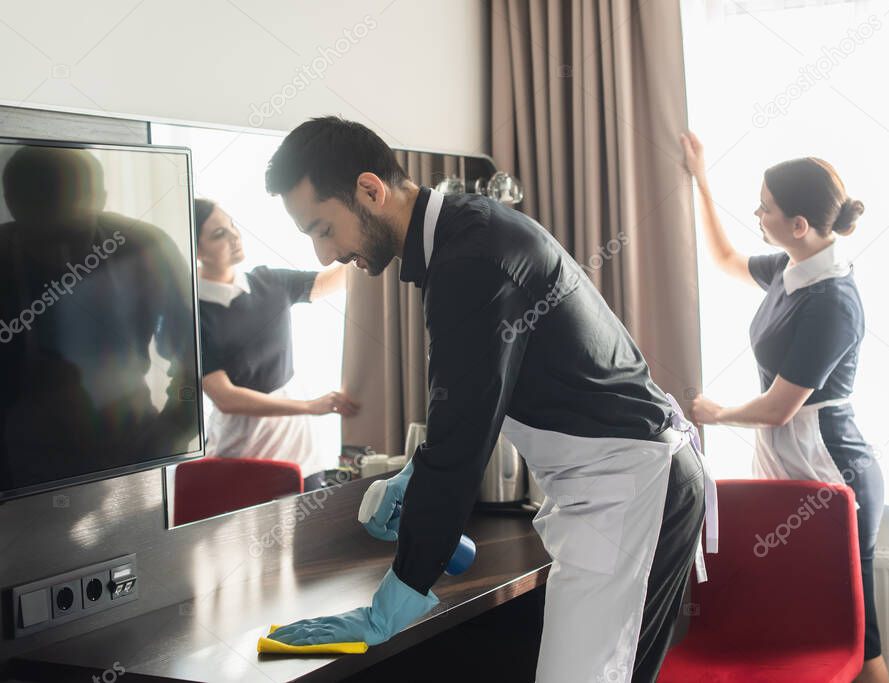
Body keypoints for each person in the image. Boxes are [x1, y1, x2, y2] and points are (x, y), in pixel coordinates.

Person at [263, 117, 712, 683]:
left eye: (323, 229)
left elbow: (462, 438)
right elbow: (482, 394)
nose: (325, 255)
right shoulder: (465, 234)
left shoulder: (471, 259)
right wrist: (414, 481)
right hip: (624, 482)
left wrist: (397, 598)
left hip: (634, 488)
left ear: (370, 190)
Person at [680, 131, 889, 683]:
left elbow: (778, 409)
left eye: (765, 207)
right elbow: (725, 259)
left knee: (857, 639)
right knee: (789, 623)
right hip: (788, 458)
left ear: (799, 225)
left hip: (831, 469)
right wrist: (701, 180)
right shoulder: (789, 268)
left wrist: (715, 412)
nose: (756, 213)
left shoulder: (833, 300)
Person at [0, 145, 199, 492]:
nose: (60, 256)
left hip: (133, 451)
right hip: (15, 468)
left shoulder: (146, 247)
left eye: (73, 235)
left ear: (102, 200)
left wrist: (173, 431)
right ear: (13, 206)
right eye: (43, 237)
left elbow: (194, 353)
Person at [194, 198, 360, 491]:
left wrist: (361, 240)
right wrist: (310, 406)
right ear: (195, 250)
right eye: (219, 234)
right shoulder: (194, 313)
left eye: (232, 225)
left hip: (299, 453)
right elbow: (226, 397)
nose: (235, 236)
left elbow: (334, 281)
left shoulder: (269, 282)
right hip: (240, 458)